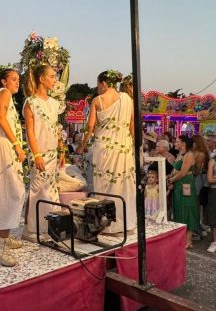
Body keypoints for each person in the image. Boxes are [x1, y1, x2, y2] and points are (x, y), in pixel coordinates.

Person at [77, 70, 136, 235]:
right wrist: (132, 143)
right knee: (124, 184)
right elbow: (132, 125)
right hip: (123, 147)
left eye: (98, 85)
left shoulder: (98, 100)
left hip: (104, 148)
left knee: (105, 185)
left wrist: (82, 145)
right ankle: (127, 223)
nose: (97, 88)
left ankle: (107, 224)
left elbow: (90, 128)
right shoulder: (128, 99)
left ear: (103, 84)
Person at [22, 64, 64, 243]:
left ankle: (50, 226)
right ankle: (32, 229)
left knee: (51, 191)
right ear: (41, 79)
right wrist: (36, 154)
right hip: (39, 153)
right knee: (38, 189)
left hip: (53, 153)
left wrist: (61, 151)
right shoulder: (30, 102)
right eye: (52, 76)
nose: (55, 80)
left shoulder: (55, 103)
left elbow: (57, 129)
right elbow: (30, 131)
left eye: (55, 76)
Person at [0, 68, 26, 266]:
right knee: (12, 191)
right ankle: (0, 243)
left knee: (13, 190)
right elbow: (1, 119)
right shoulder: (4, 94)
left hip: (7, 147)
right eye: (13, 79)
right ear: (3, 82)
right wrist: (17, 144)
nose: (17, 82)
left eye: (18, 79)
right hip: (5, 147)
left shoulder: (7, 96)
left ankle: (4, 235)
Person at [167, 135, 200, 248]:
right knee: (179, 209)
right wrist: (169, 178)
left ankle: (189, 241)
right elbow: (175, 170)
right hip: (178, 185)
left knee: (187, 209)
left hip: (185, 184)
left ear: (183, 143)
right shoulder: (180, 154)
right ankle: (182, 238)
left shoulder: (189, 155)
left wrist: (171, 179)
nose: (175, 143)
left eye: (177, 141)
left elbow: (183, 173)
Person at [206, 154, 216, 253]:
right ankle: (214, 242)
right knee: (214, 217)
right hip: (214, 192)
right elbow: (209, 179)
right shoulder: (212, 161)